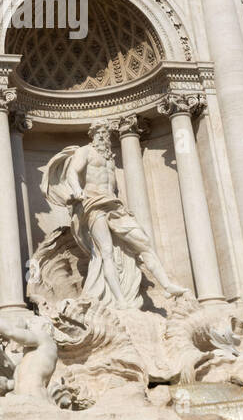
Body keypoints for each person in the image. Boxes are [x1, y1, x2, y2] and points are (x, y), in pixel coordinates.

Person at [42, 120, 190, 307]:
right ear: (93, 135)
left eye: (105, 133)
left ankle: (167, 286)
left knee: (144, 242)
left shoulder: (109, 158)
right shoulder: (85, 152)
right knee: (106, 252)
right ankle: (120, 301)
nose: (103, 136)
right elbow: (72, 172)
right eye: (99, 133)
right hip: (94, 204)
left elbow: (114, 187)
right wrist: (77, 189)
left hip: (115, 206)